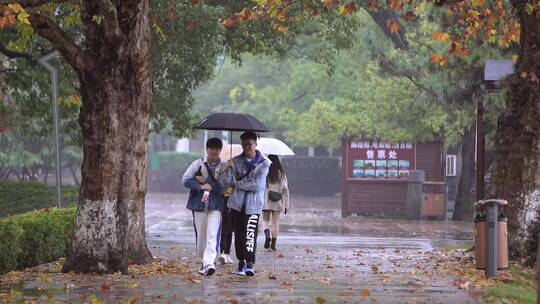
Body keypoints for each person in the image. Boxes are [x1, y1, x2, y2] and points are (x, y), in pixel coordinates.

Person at [182, 138, 230, 276]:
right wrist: (200, 186)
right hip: (199, 205)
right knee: (201, 237)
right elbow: (185, 179)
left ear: (220, 150)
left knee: (212, 235)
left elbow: (223, 188)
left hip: (216, 206)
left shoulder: (224, 166)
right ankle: (203, 261)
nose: (213, 151)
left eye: (216, 149)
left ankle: (209, 263)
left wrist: (209, 181)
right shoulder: (198, 164)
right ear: (206, 149)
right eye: (211, 148)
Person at [226, 131, 270, 276]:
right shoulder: (236, 161)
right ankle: (241, 261)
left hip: (253, 206)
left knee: (250, 235)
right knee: (238, 235)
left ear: (255, 144)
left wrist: (238, 183)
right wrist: (228, 169)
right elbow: (229, 181)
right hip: (237, 204)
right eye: (244, 144)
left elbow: (256, 185)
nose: (246, 147)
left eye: (249, 144)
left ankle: (250, 263)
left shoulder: (264, 163)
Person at [262, 154, 289, 251]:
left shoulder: (264, 170)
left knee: (265, 220)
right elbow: (285, 189)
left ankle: (267, 235)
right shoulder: (281, 173)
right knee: (275, 222)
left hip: (265, 200)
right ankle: (273, 244)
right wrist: (286, 204)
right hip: (278, 200)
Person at [218, 185, 234, 264]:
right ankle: (224, 253)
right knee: (225, 228)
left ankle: (226, 253)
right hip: (224, 199)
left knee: (229, 229)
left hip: (233, 199)